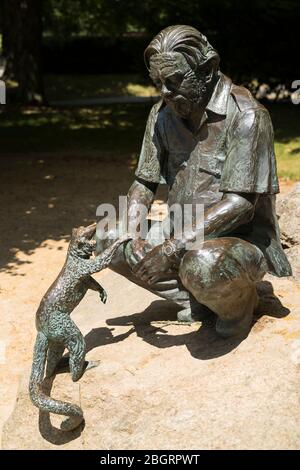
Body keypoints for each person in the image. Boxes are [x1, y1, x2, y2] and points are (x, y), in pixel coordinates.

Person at [96, 25, 291, 338]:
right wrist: (130, 233)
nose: (165, 92)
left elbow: (240, 205)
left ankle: (241, 302)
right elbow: (144, 184)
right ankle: (196, 296)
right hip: (180, 232)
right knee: (108, 238)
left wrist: (171, 249)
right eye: (158, 82)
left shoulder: (248, 116)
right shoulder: (161, 116)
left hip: (239, 241)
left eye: (174, 81)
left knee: (202, 262)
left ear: (209, 68)